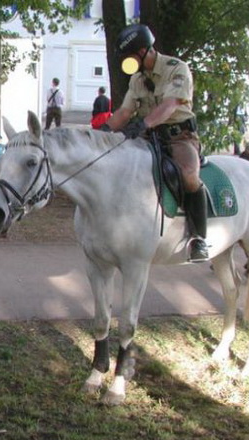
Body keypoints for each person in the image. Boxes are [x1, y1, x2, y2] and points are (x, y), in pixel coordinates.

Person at [101, 24, 208, 262]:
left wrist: (145, 123)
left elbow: (170, 105)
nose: (126, 62)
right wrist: (103, 133)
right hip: (150, 137)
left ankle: (199, 238)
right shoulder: (137, 79)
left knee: (189, 175)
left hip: (180, 136)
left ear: (141, 51)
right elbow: (125, 112)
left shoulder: (176, 69)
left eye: (128, 56)